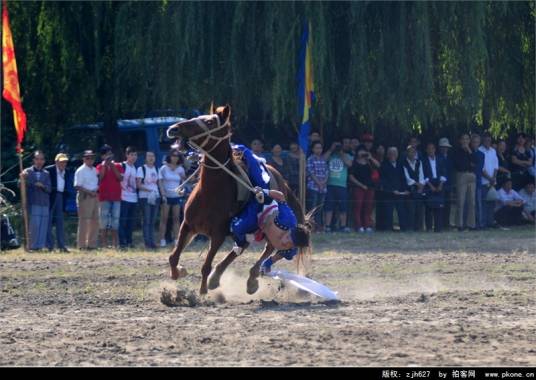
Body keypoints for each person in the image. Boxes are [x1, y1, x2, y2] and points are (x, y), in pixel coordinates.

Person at [229, 144, 311, 274]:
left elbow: (278, 255)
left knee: (239, 227)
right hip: (262, 208)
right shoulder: (288, 219)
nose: (286, 242)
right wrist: (263, 191)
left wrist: (268, 262)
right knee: (258, 175)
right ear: (290, 231)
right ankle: (240, 148)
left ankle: (240, 242)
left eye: (290, 244)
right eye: (289, 238)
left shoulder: (291, 250)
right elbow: (280, 196)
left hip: (260, 225)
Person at [21, 151, 51, 251]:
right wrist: (22, 178)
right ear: (34, 160)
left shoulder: (46, 173)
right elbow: (19, 185)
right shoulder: (27, 171)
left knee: (43, 225)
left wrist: (42, 186)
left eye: (41, 159)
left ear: (44, 161)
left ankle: (40, 246)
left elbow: (49, 189)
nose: (39, 161)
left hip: (44, 202)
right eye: (37, 159)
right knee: (35, 225)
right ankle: (32, 246)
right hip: (33, 202)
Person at [96, 145, 123, 248]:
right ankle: (104, 244)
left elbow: (120, 178)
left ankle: (116, 244)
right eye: (106, 154)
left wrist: (112, 166)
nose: (109, 156)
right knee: (103, 221)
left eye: (110, 154)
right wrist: (104, 166)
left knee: (115, 220)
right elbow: (100, 178)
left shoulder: (118, 165)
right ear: (102, 156)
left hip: (116, 197)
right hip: (104, 197)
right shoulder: (99, 167)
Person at [323, 140, 353, 232]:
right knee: (329, 206)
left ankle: (343, 226)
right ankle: (327, 226)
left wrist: (341, 153)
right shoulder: (330, 155)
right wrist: (331, 149)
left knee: (343, 207)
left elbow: (349, 164)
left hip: (342, 185)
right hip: (330, 184)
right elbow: (322, 160)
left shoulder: (347, 155)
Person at [158, 149, 186, 247]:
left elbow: (183, 182)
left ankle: (176, 240)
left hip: (176, 196)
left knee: (176, 219)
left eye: (177, 155)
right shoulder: (163, 168)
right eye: (173, 155)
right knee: (164, 218)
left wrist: (182, 191)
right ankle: (162, 240)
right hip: (166, 196)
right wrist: (163, 195)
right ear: (169, 156)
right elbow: (160, 183)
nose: (175, 157)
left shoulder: (180, 169)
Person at [74, 150, 99, 250]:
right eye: (88, 157)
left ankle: (91, 244)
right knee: (84, 221)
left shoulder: (95, 170)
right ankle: (82, 245)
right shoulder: (80, 170)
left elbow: (98, 182)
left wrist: (95, 191)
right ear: (84, 159)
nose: (90, 159)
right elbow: (77, 186)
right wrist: (89, 192)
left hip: (95, 196)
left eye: (92, 157)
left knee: (95, 221)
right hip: (85, 196)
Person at [45, 153, 71, 252]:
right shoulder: (49, 170)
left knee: (60, 222)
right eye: (61, 162)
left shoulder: (67, 171)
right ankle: (50, 246)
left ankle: (61, 245)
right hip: (51, 197)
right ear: (56, 162)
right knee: (48, 222)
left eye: (65, 162)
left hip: (61, 197)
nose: (63, 164)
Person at [380, 147, 409, 231]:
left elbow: (403, 178)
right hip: (388, 193)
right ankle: (388, 228)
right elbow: (383, 180)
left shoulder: (400, 165)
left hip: (400, 193)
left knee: (401, 211)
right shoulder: (384, 165)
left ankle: (403, 228)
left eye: (395, 153)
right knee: (388, 212)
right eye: (391, 153)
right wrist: (392, 190)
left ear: (397, 155)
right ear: (388, 155)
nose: (393, 155)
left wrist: (405, 189)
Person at [137, 151, 161, 249]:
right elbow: (138, 185)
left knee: (152, 220)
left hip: (155, 196)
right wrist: (149, 190)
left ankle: (152, 242)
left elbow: (158, 184)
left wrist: (161, 194)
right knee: (146, 220)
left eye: (153, 156)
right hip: (145, 197)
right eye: (149, 156)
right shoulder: (141, 169)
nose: (151, 158)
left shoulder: (156, 168)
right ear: (145, 158)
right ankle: (147, 242)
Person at [453, 133, 477, 231]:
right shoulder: (457, 152)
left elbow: (475, 162)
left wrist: (469, 151)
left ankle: (471, 224)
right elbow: (459, 165)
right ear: (460, 141)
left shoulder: (471, 151)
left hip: (471, 175)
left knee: (472, 201)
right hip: (461, 175)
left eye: (467, 139)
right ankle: (459, 224)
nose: (465, 141)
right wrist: (470, 164)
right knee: (461, 201)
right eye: (463, 139)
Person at [348, 147, 375, 233]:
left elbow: (378, 167)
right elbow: (351, 177)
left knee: (368, 207)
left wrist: (370, 158)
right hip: (358, 187)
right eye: (361, 151)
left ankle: (367, 225)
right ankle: (358, 226)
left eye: (364, 151)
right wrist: (361, 185)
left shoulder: (369, 162)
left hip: (369, 188)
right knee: (358, 207)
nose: (363, 153)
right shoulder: (354, 163)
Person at [422, 143, 447, 232]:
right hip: (429, 184)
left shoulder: (440, 159)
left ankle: (438, 228)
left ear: (435, 149)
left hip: (439, 183)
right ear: (426, 150)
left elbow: (444, 172)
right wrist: (430, 185)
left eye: (432, 148)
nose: (430, 150)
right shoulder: (423, 161)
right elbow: (423, 174)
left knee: (439, 207)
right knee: (429, 207)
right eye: (429, 149)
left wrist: (441, 184)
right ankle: (428, 227)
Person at [118, 146, 139, 249]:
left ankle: (129, 241)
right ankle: (122, 243)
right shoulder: (123, 166)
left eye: (135, 155)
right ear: (127, 155)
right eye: (131, 155)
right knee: (123, 221)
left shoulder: (136, 167)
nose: (134, 157)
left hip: (133, 198)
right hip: (124, 197)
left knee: (131, 222)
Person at [306, 141, 329, 230]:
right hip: (313, 187)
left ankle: (319, 227)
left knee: (320, 208)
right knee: (313, 208)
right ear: (313, 149)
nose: (319, 150)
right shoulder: (310, 159)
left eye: (320, 148)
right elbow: (311, 172)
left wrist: (323, 183)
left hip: (323, 188)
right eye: (316, 148)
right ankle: (311, 227)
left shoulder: (323, 159)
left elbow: (327, 172)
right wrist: (319, 183)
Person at [402, 145, 426, 231]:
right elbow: (407, 178)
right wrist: (417, 184)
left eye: (414, 152)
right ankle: (410, 228)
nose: (412, 153)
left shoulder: (419, 162)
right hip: (410, 190)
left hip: (419, 190)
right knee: (410, 210)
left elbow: (421, 174)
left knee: (419, 210)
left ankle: (418, 228)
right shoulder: (403, 163)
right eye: (410, 152)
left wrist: (421, 185)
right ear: (407, 153)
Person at [479, 133, 499, 228]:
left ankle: (491, 222)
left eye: (489, 140)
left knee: (492, 203)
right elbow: (481, 168)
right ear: (483, 141)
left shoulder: (493, 151)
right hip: (484, 181)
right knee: (483, 203)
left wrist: (493, 178)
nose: (488, 142)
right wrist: (489, 178)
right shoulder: (480, 150)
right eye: (486, 140)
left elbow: (496, 166)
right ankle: (483, 223)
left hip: (492, 181)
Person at [438, 137, 454, 229]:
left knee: (448, 205)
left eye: (446, 147)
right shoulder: (437, 158)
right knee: (440, 205)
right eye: (442, 147)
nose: (444, 148)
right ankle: (440, 223)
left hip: (449, 184)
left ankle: (446, 223)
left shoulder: (450, 158)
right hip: (440, 185)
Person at [470, 134, 485, 230]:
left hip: (478, 181)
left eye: (477, 142)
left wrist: (472, 163)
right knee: (470, 203)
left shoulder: (481, 154)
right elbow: (468, 165)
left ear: (479, 143)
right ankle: (471, 223)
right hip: (468, 181)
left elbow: (478, 168)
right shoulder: (467, 152)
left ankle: (480, 223)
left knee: (478, 203)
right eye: (474, 142)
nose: (475, 144)